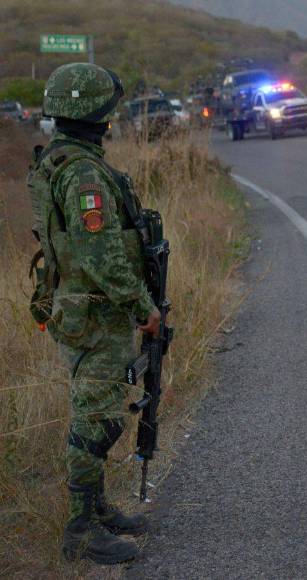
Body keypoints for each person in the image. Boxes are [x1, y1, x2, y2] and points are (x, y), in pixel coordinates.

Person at [28, 63, 161, 564]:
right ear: (95, 114)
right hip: (96, 314)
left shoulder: (59, 161)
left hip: (83, 311)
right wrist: (144, 308)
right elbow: (100, 253)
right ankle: (81, 531)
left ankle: (97, 507)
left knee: (98, 411)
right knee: (97, 419)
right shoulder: (84, 172)